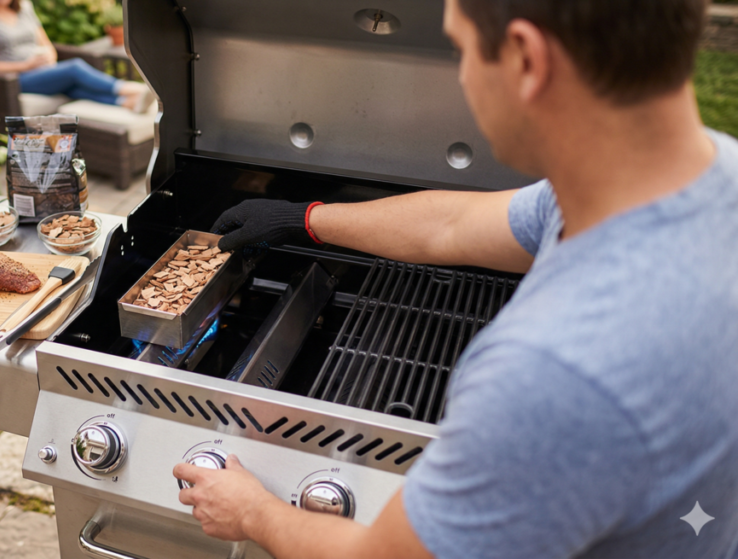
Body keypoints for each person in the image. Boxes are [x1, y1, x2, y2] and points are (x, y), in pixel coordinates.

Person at [173, 0, 738, 557]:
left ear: (526, 60)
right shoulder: (698, 173)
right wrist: (304, 219)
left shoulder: (552, 374)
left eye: (461, 49)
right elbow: (453, 224)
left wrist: (253, 511)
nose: (462, 75)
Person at [0, 0, 153, 112]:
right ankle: (132, 89)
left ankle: (125, 102)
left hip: (42, 69)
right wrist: (27, 65)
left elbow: (45, 43)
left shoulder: (24, 9)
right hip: (17, 78)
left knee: (72, 86)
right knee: (74, 67)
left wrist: (50, 56)